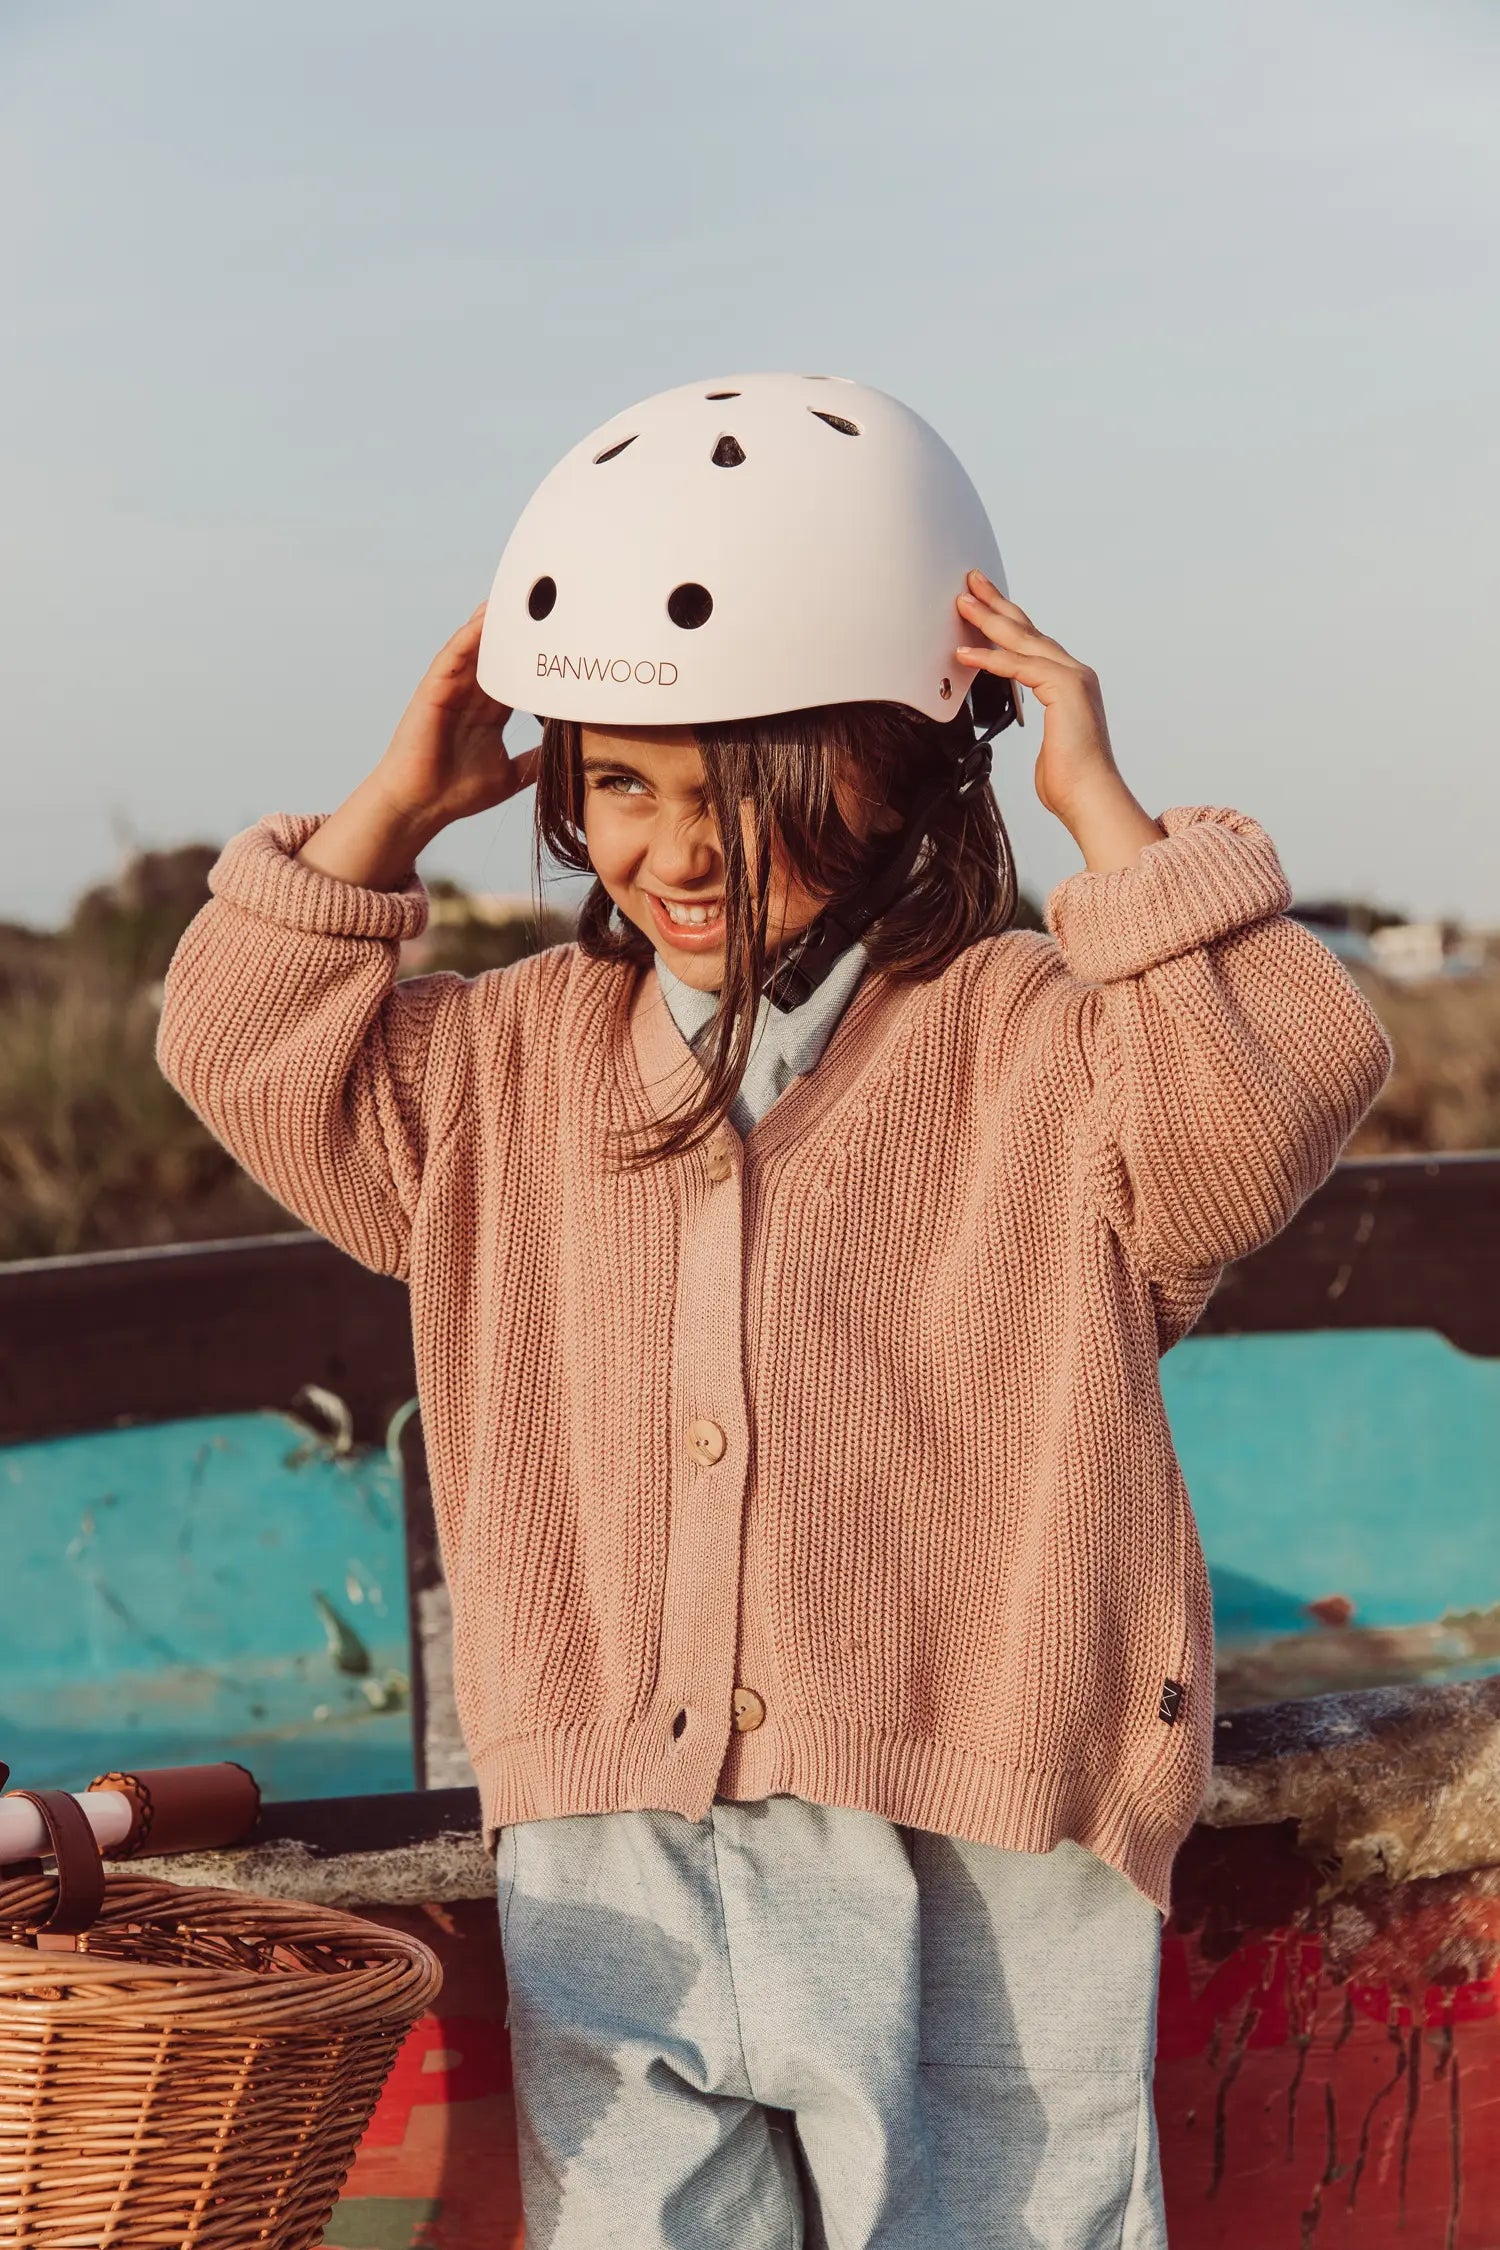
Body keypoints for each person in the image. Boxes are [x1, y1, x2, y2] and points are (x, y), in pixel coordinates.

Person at [157, 373, 1393, 2248]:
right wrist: (391, 803)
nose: (680, 850)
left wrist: (1099, 802)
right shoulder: (504, 1065)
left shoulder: (1046, 1048)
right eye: (624, 787)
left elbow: (1281, 1084)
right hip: (612, 1849)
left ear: (908, 765)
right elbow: (238, 1041)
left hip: (989, 1841)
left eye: (751, 788)